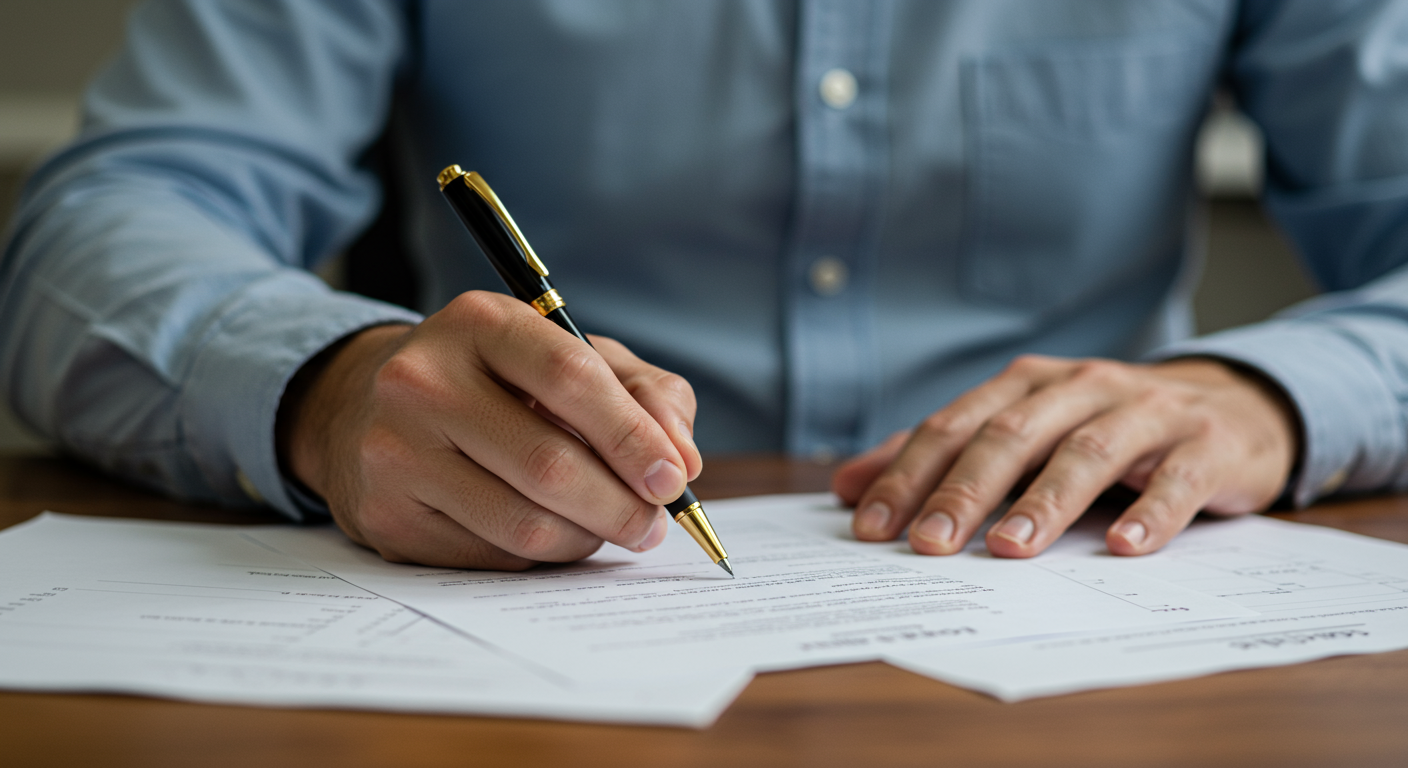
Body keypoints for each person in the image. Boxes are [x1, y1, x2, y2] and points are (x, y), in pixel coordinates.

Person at [2, 0, 1404, 570]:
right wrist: (324, 386)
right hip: (517, 652)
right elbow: (106, 224)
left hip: (1088, 610)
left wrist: (1265, 396)